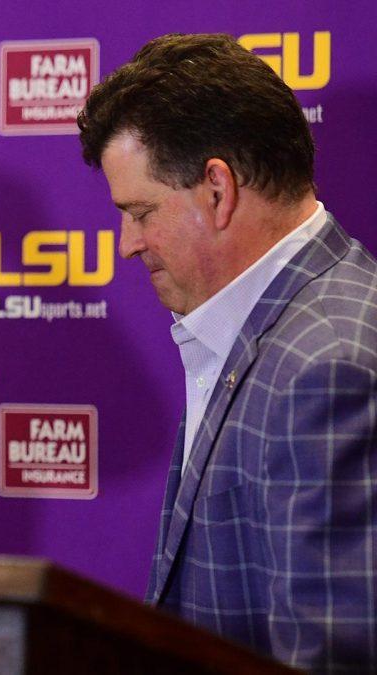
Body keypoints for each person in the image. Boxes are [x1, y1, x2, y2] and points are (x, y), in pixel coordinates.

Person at [78, 33, 377, 670]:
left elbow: (331, 657)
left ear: (217, 190)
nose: (127, 244)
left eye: (140, 211)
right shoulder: (259, 324)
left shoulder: (328, 367)